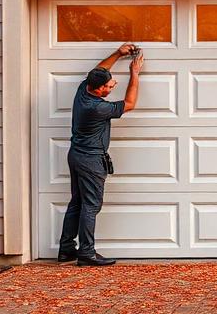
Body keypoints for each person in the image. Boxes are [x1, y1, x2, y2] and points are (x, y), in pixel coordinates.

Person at [57, 42, 143, 266]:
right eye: (109, 86)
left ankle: (66, 249)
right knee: (91, 205)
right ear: (99, 90)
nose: (113, 84)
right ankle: (87, 253)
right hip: (91, 159)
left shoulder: (83, 89)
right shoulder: (96, 108)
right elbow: (130, 103)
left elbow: (96, 72)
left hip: (76, 155)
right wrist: (134, 73)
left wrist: (117, 54)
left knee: (77, 202)